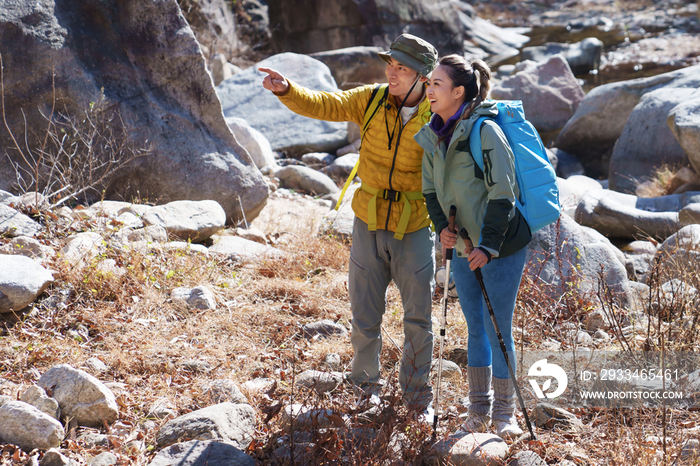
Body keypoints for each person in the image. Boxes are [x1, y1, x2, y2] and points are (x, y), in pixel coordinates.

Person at [259, 34, 439, 415]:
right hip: (368, 223)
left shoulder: (439, 113)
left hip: (415, 227)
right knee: (363, 317)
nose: (391, 71)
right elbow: (328, 103)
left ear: (423, 77)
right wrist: (287, 89)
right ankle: (364, 387)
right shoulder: (372, 99)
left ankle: (416, 396)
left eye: (401, 67)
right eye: (390, 63)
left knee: (418, 319)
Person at [414, 54, 532, 439]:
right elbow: (430, 191)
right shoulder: (433, 135)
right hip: (464, 248)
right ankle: (478, 409)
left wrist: (490, 246)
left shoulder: (486, 132)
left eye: (436, 84)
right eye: (429, 83)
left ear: (459, 91)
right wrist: (441, 231)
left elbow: (505, 193)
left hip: (501, 247)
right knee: (475, 327)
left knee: (499, 325)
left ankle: (505, 413)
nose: (428, 89)